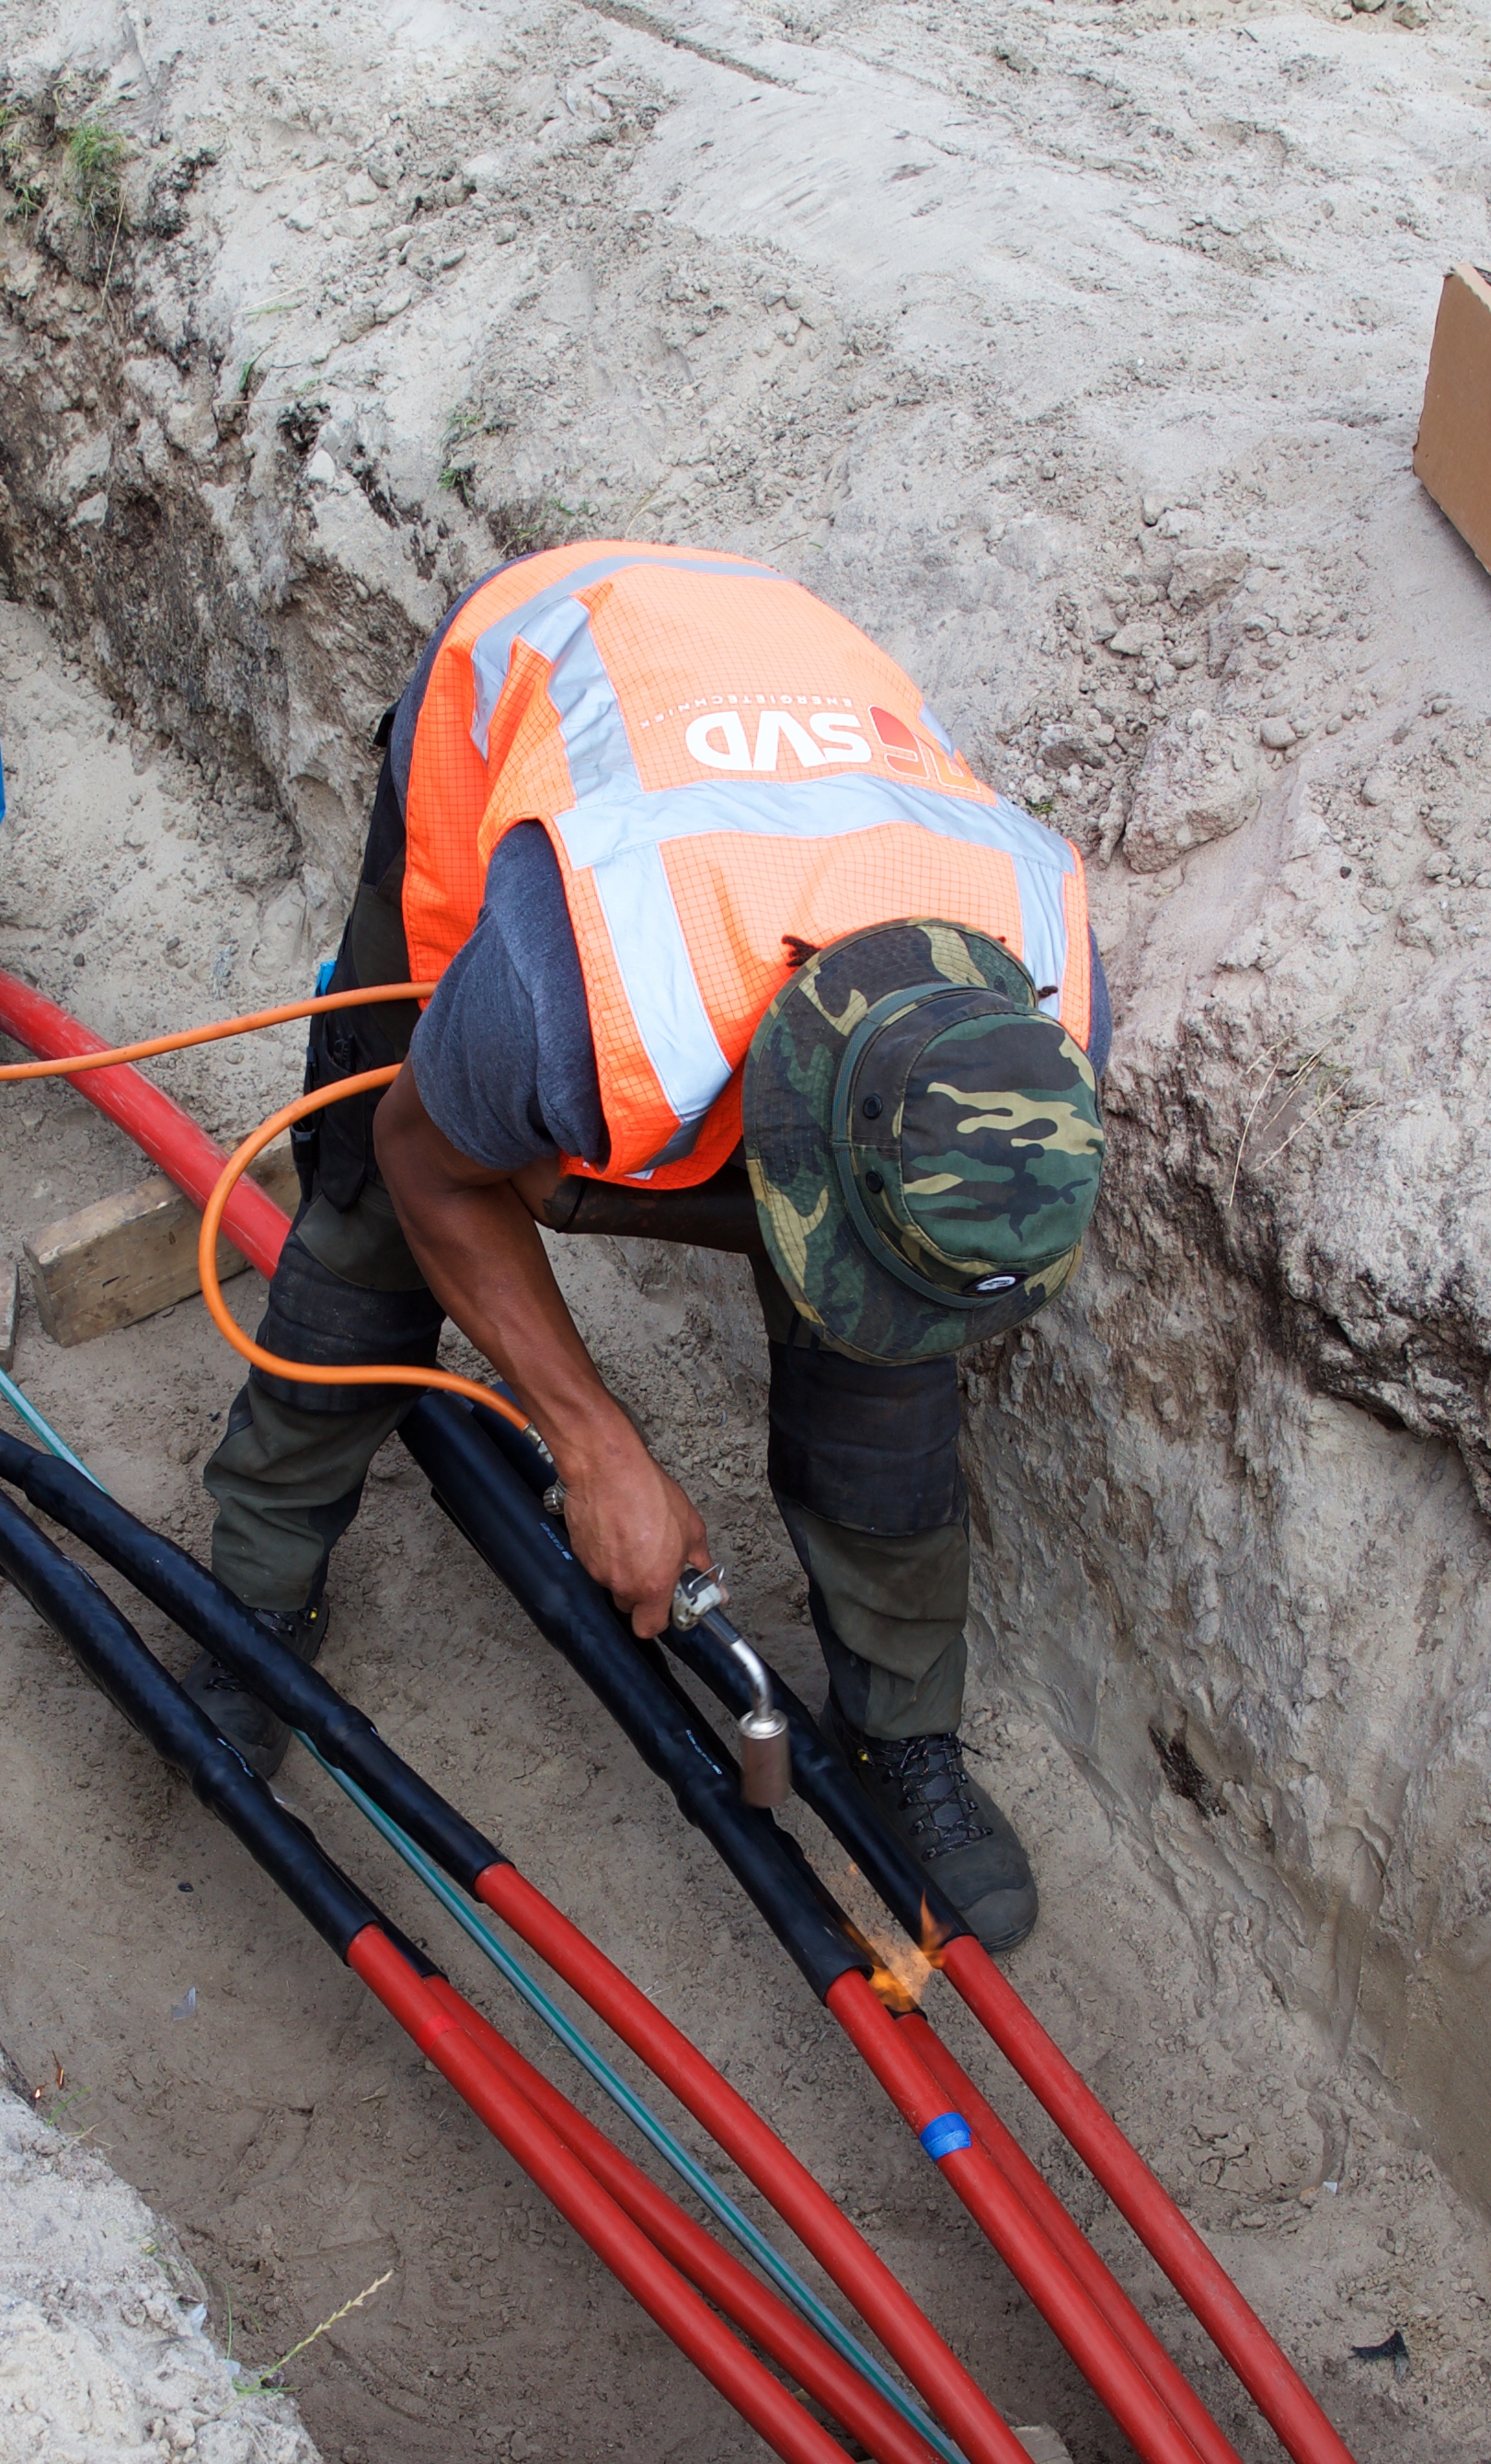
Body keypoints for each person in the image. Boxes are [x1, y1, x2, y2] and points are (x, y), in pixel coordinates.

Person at [176, 539, 1104, 1950]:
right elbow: (436, 1165)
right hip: (542, 703)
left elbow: (909, 1247)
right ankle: (254, 1590)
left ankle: (903, 1733)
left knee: (881, 1323)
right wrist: (599, 1447)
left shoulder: (1042, 986)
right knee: (370, 1204)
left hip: (777, 745)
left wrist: (874, 1272)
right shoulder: (601, 976)